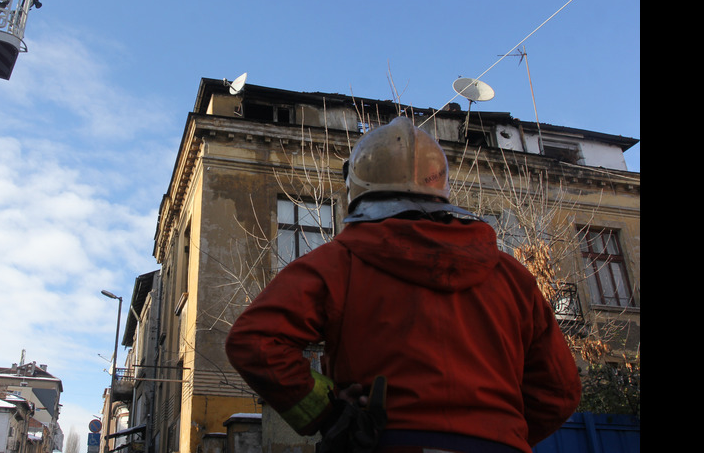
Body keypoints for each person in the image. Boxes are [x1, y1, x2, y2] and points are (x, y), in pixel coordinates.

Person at [225, 117, 581, 453]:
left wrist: (329, 411)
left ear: (356, 192)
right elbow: (559, 392)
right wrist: (499, 434)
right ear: (440, 188)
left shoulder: (340, 263)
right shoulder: (512, 277)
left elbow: (254, 341)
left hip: (388, 442)